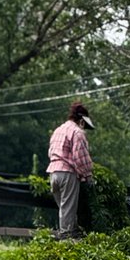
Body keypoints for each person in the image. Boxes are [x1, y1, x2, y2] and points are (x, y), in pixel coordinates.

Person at [46, 100, 95, 239]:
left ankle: (72, 233)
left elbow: (50, 152)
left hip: (54, 174)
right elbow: (80, 158)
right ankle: (67, 239)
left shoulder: (58, 130)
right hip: (67, 174)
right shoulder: (77, 132)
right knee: (68, 208)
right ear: (81, 121)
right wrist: (88, 175)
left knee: (64, 208)